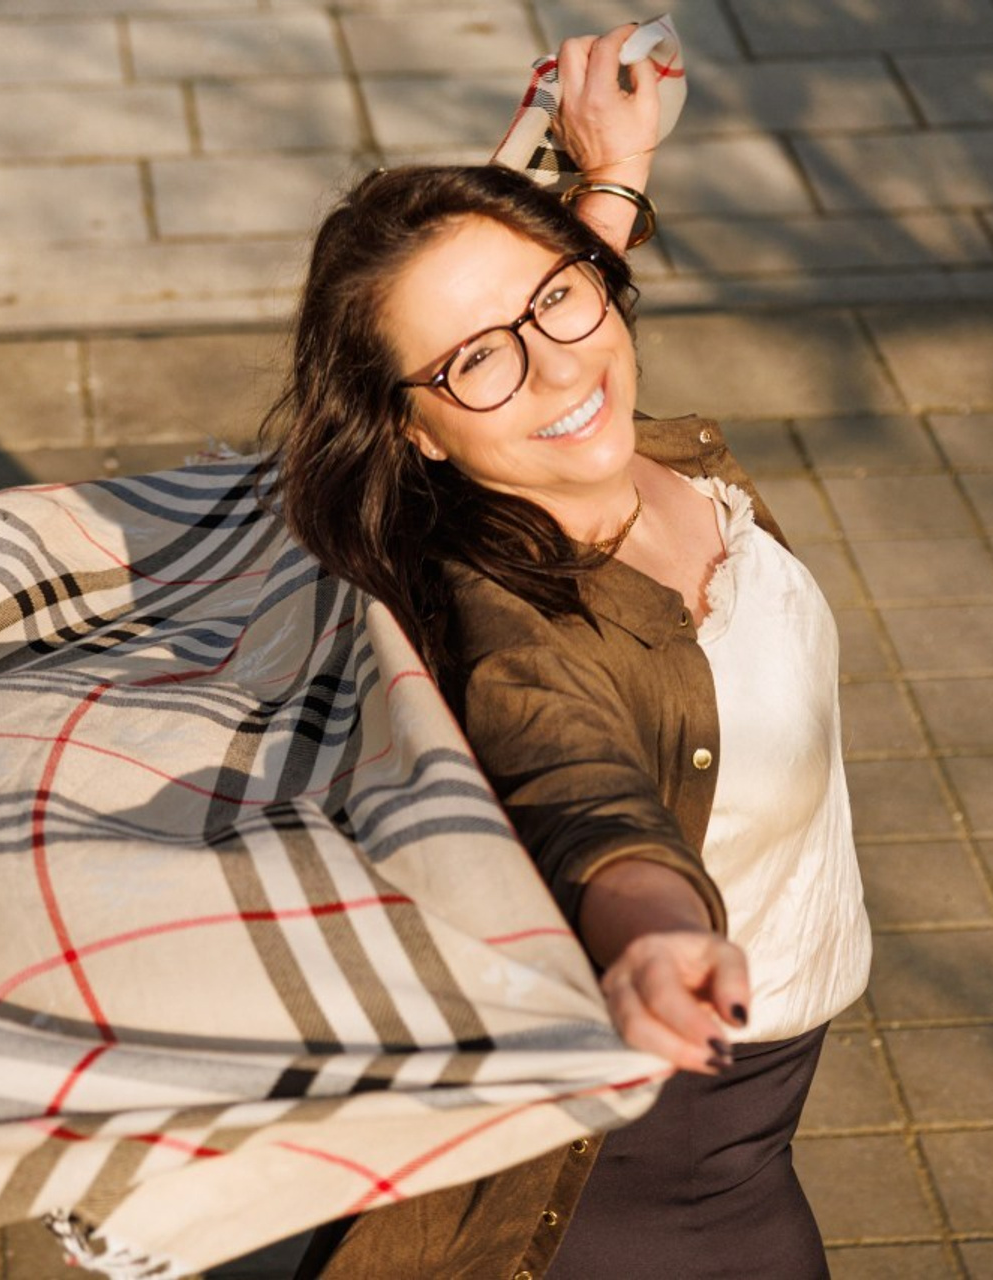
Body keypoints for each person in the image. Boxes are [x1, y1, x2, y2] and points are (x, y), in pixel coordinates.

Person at [269, 24, 872, 1280]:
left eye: (557, 294)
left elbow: (543, 326)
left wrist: (608, 169)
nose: (557, 369)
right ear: (415, 430)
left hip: (746, 1118)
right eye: (477, 360)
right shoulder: (519, 620)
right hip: (667, 1170)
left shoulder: (639, 452)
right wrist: (649, 932)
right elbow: (572, 781)